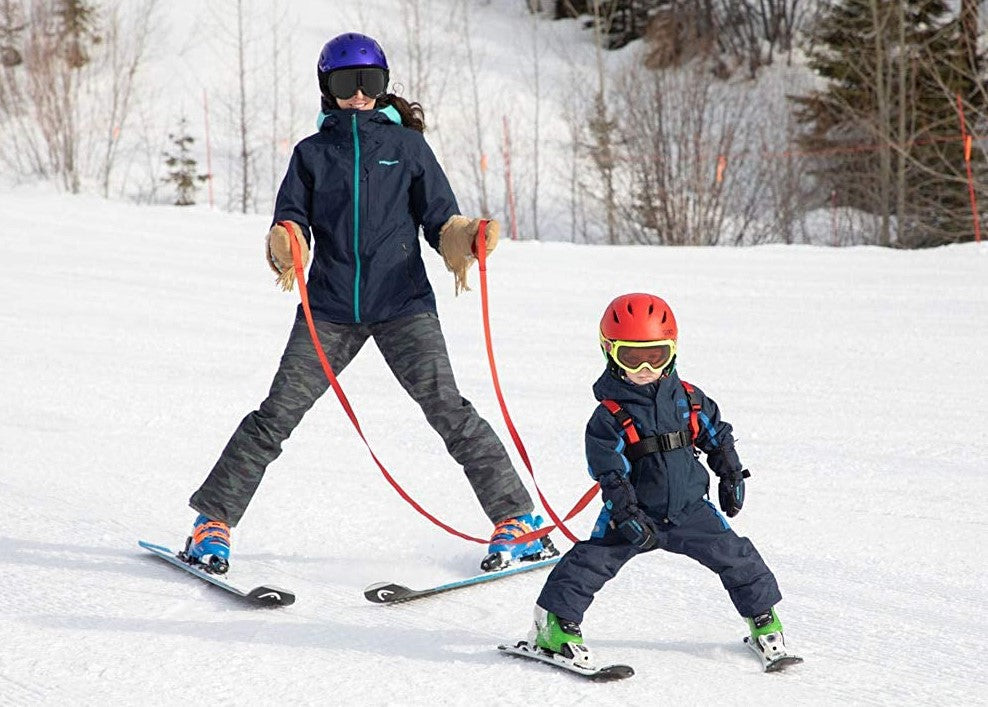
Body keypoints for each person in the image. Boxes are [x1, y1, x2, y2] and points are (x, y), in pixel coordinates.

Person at [180, 32, 556, 575]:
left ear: (382, 86)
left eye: (369, 82)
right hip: (330, 310)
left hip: (403, 304)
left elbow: (439, 220)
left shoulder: (408, 149)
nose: (358, 94)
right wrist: (288, 240)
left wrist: (464, 236)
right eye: (346, 83)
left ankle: (517, 520)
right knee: (275, 416)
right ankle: (212, 524)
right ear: (327, 88)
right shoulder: (311, 155)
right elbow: (292, 218)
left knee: (449, 410)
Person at [527, 293, 794, 669]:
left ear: (673, 350)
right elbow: (610, 471)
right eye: (631, 357)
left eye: (656, 356)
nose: (644, 368)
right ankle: (553, 626)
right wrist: (626, 513)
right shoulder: (609, 415)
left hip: (690, 509)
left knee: (738, 557)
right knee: (589, 563)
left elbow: (717, 435)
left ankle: (764, 621)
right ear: (609, 351)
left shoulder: (690, 399)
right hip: (636, 513)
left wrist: (730, 472)